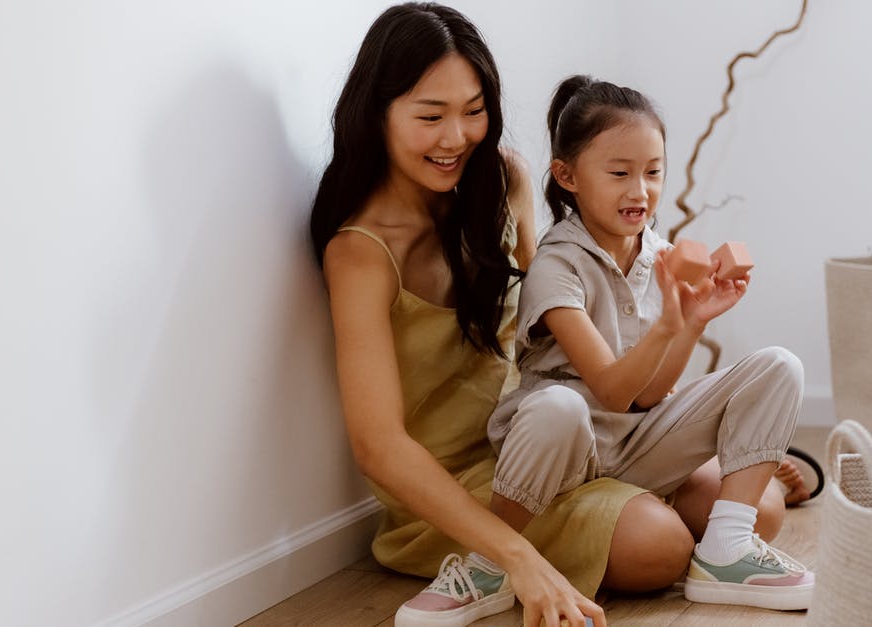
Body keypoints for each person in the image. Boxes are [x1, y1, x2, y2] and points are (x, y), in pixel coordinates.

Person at [309, 5, 724, 627]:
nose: (456, 137)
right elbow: (379, 446)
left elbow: (559, 334)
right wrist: (516, 557)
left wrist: (659, 411)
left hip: (551, 431)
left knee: (749, 500)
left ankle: (642, 498)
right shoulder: (361, 253)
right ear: (378, 113)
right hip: (457, 490)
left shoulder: (502, 182)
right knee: (662, 546)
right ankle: (495, 558)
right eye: (431, 116)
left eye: (473, 111)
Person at [486, 75, 816, 612]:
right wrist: (668, 325)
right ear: (567, 176)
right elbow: (612, 392)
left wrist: (692, 321)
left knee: (779, 366)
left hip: (634, 442)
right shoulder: (558, 263)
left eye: (653, 172)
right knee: (562, 405)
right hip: (567, 449)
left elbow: (646, 397)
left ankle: (726, 550)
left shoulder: (657, 255)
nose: (640, 191)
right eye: (619, 173)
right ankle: (490, 563)